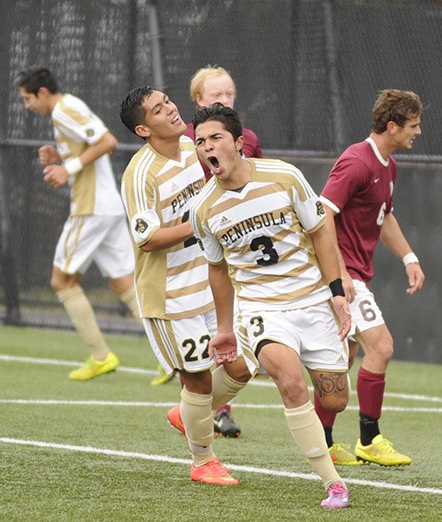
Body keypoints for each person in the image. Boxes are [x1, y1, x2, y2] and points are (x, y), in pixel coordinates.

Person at [190, 103, 352, 509]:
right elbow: (218, 270)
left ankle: (200, 405)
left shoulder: (285, 177)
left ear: (239, 143)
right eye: (200, 142)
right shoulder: (204, 209)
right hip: (261, 307)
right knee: (291, 382)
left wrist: (336, 291)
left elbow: (319, 232)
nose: (207, 147)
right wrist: (224, 327)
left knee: (335, 398)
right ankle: (333, 483)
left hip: (313, 301)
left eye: (215, 138)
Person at [119, 87, 256, 484]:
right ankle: (203, 462)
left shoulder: (190, 146)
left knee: (244, 365)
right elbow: (147, 238)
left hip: (211, 282)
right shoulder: (139, 174)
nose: (171, 109)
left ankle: (188, 412)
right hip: (170, 294)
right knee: (196, 377)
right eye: (158, 110)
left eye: (168, 101)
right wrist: (199, 224)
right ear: (144, 128)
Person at [316, 89, 425, 466]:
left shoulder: (388, 164)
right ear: (392, 126)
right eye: (413, 125)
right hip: (341, 275)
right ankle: (369, 438)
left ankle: (324, 442)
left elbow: (385, 215)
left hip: (353, 273)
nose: (419, 132)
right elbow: (323, 215)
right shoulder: (357, 161)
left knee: (340, 357)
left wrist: (408, 256)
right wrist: (340, 275)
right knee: (381, 347)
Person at [17, 67, 145, 381]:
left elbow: (107, 141)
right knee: (121, 282)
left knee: (61, 282)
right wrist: (59, 157)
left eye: (26, 99)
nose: (26, 106)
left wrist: (67, 167)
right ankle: (170, 350)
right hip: (108, 207)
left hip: (90, 209)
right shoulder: (69, 107)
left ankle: (101, 356)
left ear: (43, 93)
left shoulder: (64, 110)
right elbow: (91, 145)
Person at [167, 65, 263, 436]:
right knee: (197, 343)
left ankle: (209, 408)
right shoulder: (183, 144)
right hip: (191, 253)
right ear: (197, 101)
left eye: (230, 95)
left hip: (233, 249)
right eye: (216, 96)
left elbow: (254, 180)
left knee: (232, 334)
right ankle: (199, 413)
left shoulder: (247, 138)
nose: (225, 101)